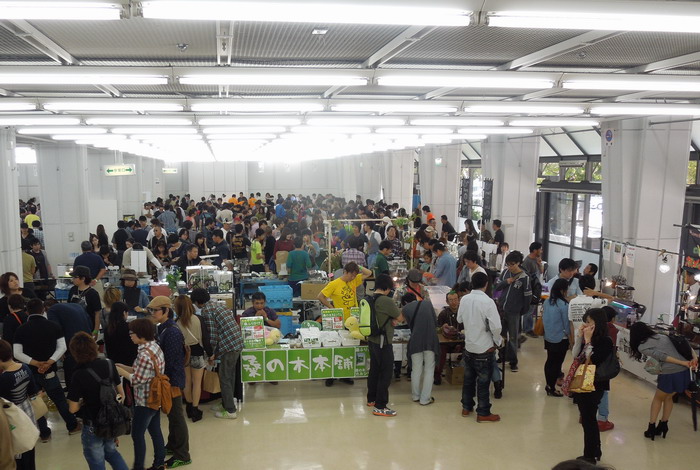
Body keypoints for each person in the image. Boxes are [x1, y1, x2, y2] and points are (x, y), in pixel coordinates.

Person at [13, 299, 81, 441]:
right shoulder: (54, 326)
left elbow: (17, 353)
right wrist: (49, 362)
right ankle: (72, 426)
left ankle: (44, 433)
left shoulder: (21, 329)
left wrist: (36, 363)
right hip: (49, 371)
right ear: (43, 310)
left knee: (36, 401)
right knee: (59, 399)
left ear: (27, 311)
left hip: (30, 372)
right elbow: (62, 347)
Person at [66, 332, 129, 470]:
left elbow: (72, 408)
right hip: (111, 420)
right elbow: (121, 395)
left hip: (92, 424)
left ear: (75, 353)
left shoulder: (78, 374)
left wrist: (82, 402)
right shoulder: (109, 364)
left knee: (96, 461)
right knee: (112, 453)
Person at [630, 321, 699, 441]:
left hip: (669, 373)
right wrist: (694, 359)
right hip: (683, 372)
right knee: (668, 398)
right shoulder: (661, 335)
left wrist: (683, 363)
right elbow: (685, 343)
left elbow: (662, 357)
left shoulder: (642, 347)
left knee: (658, 399)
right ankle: (663, 425)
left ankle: (651, 428)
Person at [115, 318, 166, 470]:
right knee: (155, 431)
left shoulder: (143, 355)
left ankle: (138, 467)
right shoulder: (154, 347)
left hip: (145, 400)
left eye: (132, 332)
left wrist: (120, 371)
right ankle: (159, 463)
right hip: (156, 396)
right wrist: (124, 367)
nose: (130, 335)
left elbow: (137, 380)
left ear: (141, 334)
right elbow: (143, 371)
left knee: (137, 434)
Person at [148, 296, 191, 468]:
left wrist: (163, 380)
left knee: (176, 417)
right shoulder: (163, 328)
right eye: (151, 310)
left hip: (172, 380)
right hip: (168, 379)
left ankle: (183, 455)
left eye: (155, 310)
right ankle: (173, 445)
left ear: (166, 311)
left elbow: (171, 361)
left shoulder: (171, 332)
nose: (152, 313)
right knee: (172, 416)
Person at [569, 308, 614, 464]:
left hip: (595, 384)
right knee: (588, 419)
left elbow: (594, 359)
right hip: (584, 383)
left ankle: (589, 456)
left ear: (598, 322)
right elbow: (575, 355)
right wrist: (579, 337)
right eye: (586, 322)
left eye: (589, 322)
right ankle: (595, 450)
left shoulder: (605, 341)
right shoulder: (589, 338)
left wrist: (588, 341)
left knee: (588, 420)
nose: (586, 325)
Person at [457, 272, 502, 423]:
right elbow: (496, 327)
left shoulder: (464, 299)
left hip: (469, 346)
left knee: (468, 379)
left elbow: (459, 319)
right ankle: (483, 412)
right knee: (483, 382)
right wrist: (497, 341)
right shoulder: (488, 302)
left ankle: (466, 407)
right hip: (484, 347)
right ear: (486, 284)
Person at [193, 288, 243, 420]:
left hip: (228, 346)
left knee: (225, 378)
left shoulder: (207, 310)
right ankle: (227, 402)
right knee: (230, 376)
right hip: (236, 343)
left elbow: (213, 335)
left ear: (197, 302)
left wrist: (211, 354)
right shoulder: (217, 305)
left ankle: (230, 410)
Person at [366, 274, 404, 417]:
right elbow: (400, 317)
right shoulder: (386, 301)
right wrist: (394, 319)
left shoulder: (369, 299)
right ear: (387, 287)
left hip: (372, 339)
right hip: (383, 341)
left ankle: (371, 399)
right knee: (386, 373)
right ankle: (380, 406)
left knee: (374, 370)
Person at [0, 339, 39, 470]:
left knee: (19, 457)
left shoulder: (4, 378)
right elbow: (33, 391)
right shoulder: (25, 367)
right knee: (29, 452)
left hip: (14, 420)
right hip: (28, 413)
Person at [493, 251, 532, 372]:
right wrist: (506, 282)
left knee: (513, 337)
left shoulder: (524, 278)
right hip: (501, 310)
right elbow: (497, 286)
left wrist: (521, 311)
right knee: (501, 335)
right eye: (508, 264)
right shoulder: (505, 273)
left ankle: (513, 361)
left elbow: (527, 297)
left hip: (514, 312)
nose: (510, 267)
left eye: (512, 264)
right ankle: (501, 356)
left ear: (518, 263)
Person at [401, 294, 439, 406]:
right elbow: (435, 322)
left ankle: (415, 396)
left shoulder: (406, 308)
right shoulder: (428, 304)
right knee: (429, 369)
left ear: (405, 303)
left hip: (415, 341)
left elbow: (405, 322)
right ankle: (425, 399)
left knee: (416, 369)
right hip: (430, 341)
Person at [174, 295, 206, 423]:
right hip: (197, 350)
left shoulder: (176, 322)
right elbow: (203, 337)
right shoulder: (198, 319)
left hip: (184, 353)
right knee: (197, 383)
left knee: (187, 382)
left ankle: (188, 405)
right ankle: (195, 410)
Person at [46, 301, 92, 388]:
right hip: (87, 339)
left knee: (70, 367)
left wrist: (60, 350)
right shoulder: (77, 305)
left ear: (46, 308)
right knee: (86, 366)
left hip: (72, 343)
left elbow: (55, 329)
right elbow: (90, 322)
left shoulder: (52, 310)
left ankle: (72, 391)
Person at [542, 278, 570, 397]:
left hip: (548, 336)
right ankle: (552, 388)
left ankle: (549, 385)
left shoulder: (547, 302)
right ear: (563, 290)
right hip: (560, 338)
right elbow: (566, 324)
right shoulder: (564, 305)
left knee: (550, 361)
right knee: (557, 364)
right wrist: (570, 337)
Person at [435, 291, 464, 385]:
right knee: (441, 351)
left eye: (455, 299)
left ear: (459, 300)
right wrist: (442, 328)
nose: (454, 302)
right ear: (447, 302)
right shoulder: (443, 314)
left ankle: (466, 373)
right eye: (451, 300)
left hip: (462, 340)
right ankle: (437, 374)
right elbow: (436, 329)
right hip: (447, 342)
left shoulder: (464, 311)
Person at [69, 265, 102, 336]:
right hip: (73, 327)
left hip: (88, 328)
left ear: (83, 278)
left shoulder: (93, 293)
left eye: (75, 277)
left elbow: (97, 313)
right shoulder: (72, 290)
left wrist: (96, 331)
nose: (73, 279)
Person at [104, 302, 138, 368]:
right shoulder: (129, 327)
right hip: (129, 363)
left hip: (114, 363)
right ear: (124, 313)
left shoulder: (108, 328)